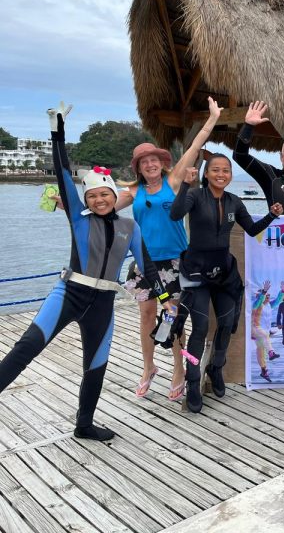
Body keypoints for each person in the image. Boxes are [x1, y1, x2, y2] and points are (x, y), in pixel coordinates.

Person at [0, 103, 172, 441]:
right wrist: (57, 131)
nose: (98, 200)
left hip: (103, 303)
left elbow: (149, 267)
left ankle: (84, 424)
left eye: (104, 194)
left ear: (114, 195)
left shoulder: (130, 227)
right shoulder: (79, 220)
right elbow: (63, 174)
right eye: (92, 196)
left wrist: (165, 299)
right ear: (86, 200)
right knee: (26, 347)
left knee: (96, 366)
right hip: (69, 294)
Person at [119, 96, 223, 401]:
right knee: (146, 317)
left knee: (173, 318)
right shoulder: (133, 191)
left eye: (154, 160)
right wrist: (67, 204)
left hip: (175, 262)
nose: (150, 164)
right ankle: (148, 367)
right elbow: (102, 204)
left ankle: (178, 369)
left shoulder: (174, 181)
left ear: (161, 163)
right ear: (138, 168)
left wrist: (212, 118)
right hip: (144, 263)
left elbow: (195, 147)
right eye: (144, 162)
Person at [170, 154, 283, 413]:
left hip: (224, 273)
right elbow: (175, 215)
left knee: (226, 324)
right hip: (196, 272)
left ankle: (216, 368)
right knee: (200, 328)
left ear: (230, 175)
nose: (221, 174)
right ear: (206, 174)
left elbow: (252, 230)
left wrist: (271, 215)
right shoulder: (195, 195)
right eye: (215, 170)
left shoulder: (234, 201)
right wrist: (185, 184)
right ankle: (193, 380)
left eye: (226, 170)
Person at [250, 280, 284, 383]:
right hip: (255, 329)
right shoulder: (256, 305)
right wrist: (263, 292)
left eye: (269, 295)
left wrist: (282, 292)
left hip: (264, 332)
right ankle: (271, 353)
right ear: (261, 296)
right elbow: (259, 300)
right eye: (266, 295)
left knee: (260, 351)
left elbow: (278, 300)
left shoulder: (269, 305)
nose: (268, 297)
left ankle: (264, 371)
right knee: (264, 336)